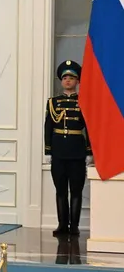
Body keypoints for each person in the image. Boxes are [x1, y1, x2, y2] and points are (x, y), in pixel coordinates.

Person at [46, 59, 92, 237]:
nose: (67, 81)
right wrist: (48, 151)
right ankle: (62, 225)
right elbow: (48, 127)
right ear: (61, 81)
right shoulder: (53, 102)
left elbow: (89, 128)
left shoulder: (83, 102)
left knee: (76, 191)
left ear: (77, 81)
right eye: (65, 78)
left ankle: (74, 226)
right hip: (58, 152)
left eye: (71, 78)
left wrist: (89, 151)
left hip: (76, 151)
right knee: (60, 191)